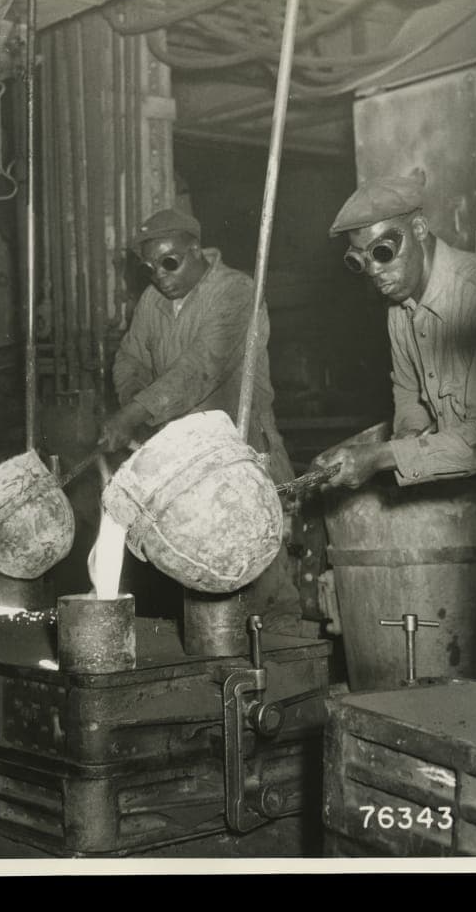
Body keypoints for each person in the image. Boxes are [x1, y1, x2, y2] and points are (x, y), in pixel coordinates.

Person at [312, 169, 476, 670]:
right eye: (358, 261)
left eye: (382, 252)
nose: (373, 270)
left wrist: (383, 457)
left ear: (417, 231)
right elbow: (409, 398)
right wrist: (395, 451)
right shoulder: (400, 309)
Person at [98, 208, 308, 635]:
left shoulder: (235, 292)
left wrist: (136, 412)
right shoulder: (152, 302)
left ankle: (287, 666)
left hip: (239, 457)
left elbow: (199, 370)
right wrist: (133, 406)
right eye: (149, 267)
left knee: (262, 583)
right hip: (182, 467)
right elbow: (129, 357)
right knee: (199, 594)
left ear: (196, 251)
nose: (158, 274)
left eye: (169, 262)